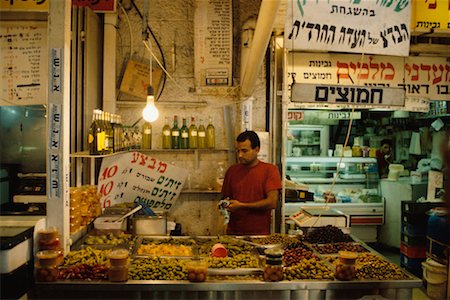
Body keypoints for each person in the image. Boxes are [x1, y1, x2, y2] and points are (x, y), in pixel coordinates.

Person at [221, 130, 282, 235]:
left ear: (257, 150)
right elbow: (225, 198)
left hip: (259, 235)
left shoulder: (270, 170)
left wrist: (242, 205)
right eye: (238, 151)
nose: (240, 155)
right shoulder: (232, 171)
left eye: (244, 151)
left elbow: (272, 202)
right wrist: (225, 205)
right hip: (233, 233)